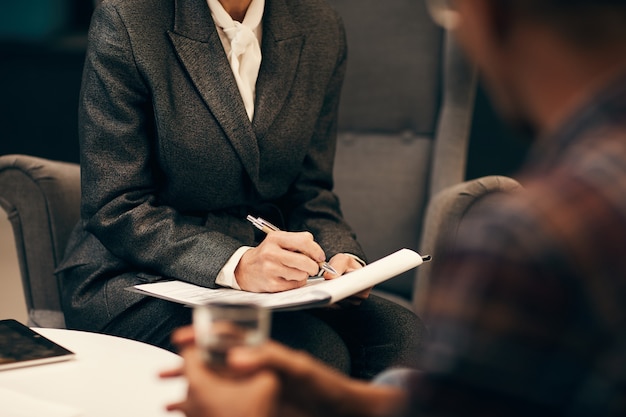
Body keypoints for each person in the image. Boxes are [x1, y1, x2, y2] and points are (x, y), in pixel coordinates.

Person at [160, 0, 626, 415]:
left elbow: (311, 189)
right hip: (152, 273)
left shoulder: (523, 241)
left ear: (489, 14)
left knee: (392, 336)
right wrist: (336, 399)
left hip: (277, 297)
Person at [56, 0, 424, 379]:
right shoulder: (128, 16)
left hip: (267, 284)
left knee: (403, 338)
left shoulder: (319, 24)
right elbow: (116, 204)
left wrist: (339, 260)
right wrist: (236, 263)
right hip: (133, 276)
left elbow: (309, 190)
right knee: (312, 352)